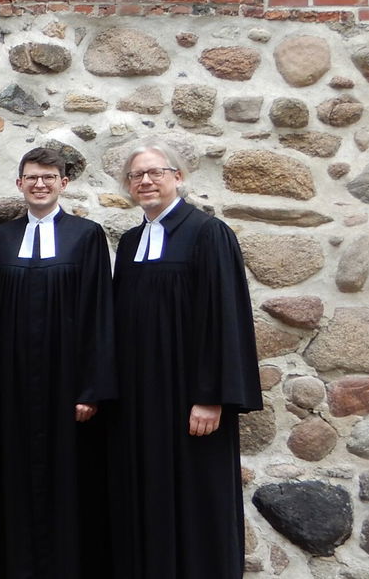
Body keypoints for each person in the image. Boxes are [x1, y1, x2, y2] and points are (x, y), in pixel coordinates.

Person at [105, 139, 261, 579]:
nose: (147, 181)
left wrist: (211, 397)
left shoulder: (208, 234)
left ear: (178, 176)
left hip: (190, 403)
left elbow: (224, 316)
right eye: (137, 175)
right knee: (146, 497)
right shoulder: (132, 241)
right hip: (140, 402)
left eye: (156, 172)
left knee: (196, 501)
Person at [0, 147, 116, 579]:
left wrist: (91, 388)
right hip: (11, 386)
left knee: (68, 482)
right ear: (19, 184)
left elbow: (99, 314)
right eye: (32, 177)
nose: (40, 184)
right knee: (11, 483)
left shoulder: (86, 235)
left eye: (49, 177)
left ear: (64, 183)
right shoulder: (1, 239)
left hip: (66, 387)